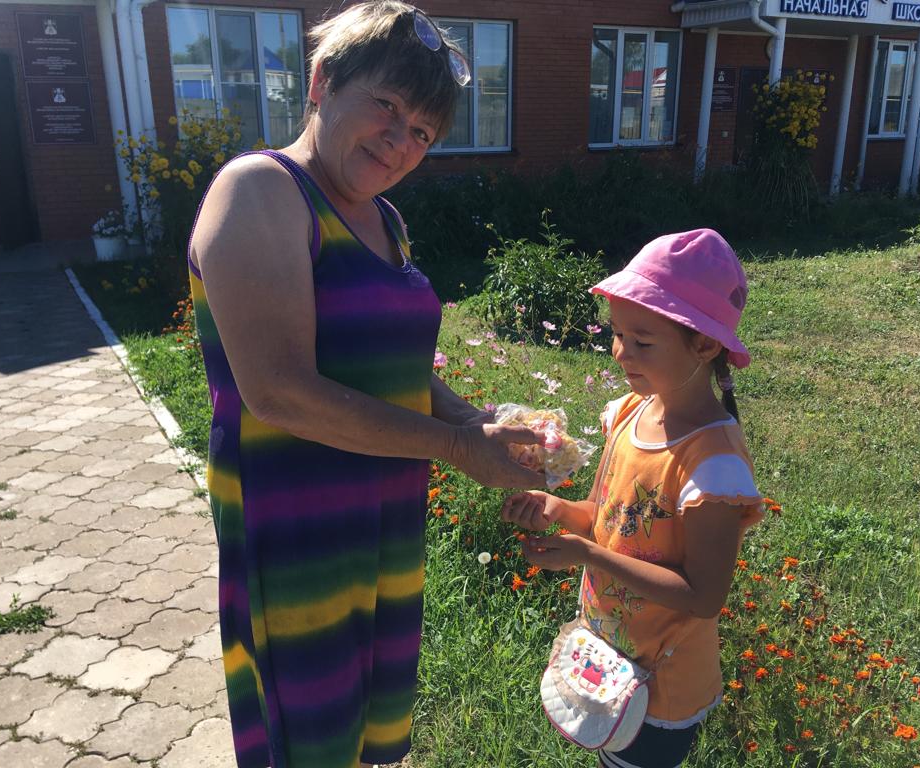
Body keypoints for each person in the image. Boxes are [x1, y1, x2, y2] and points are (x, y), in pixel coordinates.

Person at [186, 3, 543, 767]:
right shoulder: (262, 191)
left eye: (422, 132)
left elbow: (397, 370)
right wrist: (455, 448)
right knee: (308, 743)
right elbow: (278, 390)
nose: (399, 140)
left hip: (383, 530)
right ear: (322, 81)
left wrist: (473, 421)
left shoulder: (385, 220)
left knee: (360, 741)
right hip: (300, 537)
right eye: (386, 105)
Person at [501, 229, 764, 768]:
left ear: (704, 345)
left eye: (643, 341)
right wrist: (558, 512)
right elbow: (605, 518)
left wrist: (588, 555)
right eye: (618, 334)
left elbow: (702, 596)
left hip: (663, 689)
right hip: (609, 656)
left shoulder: (712, 466)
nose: (621, 352)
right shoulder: (629, 414)